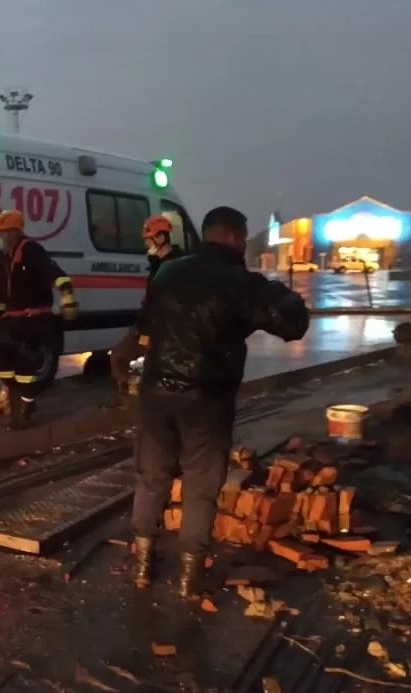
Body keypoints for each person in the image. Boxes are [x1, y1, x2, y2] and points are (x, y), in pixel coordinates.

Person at [131, 206, 310, 597]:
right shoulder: (237, 282)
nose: (244, 247)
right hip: (205, 399)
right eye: (244, 240)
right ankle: (189, 579)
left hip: (155, 393)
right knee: (200, 484)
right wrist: (288, 297)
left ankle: (143, 565)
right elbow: (290, 323)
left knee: (152, 476)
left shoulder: (167, 272)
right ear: (232, 237)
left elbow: (146, 324)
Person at [0, 210, 79, 429]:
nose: (1, 237)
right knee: (2, 364)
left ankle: (24, 410)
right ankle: (21, 402)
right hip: (11, 320)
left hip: (34, 319)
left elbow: (55, 274)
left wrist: (67, 296)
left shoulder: (33, 251)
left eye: (4, 232)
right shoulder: (1, 260)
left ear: (15, 231)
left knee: (26, 367)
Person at [109, 215, 186, 400]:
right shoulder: (159, 264)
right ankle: (131, 398)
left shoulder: (175, 266)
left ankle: (138, 401)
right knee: (119, 356)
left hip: (161, 328)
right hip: (149, 325)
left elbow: (169, 302)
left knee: (127, 358)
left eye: (148, 239)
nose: (146, 244)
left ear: (160, 238)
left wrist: (149, 329)